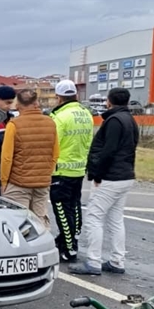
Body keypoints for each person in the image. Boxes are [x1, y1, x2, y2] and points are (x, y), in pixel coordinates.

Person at [71, 87, 139, 276]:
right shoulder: (129, 119)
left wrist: (97, 174)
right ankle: (117, 261)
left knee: (94, 217)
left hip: (111, 177)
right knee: (116, 219)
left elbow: (108, 151)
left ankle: (93, 262)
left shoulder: (114, 121)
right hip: (125, 175)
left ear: (109, 101)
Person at [48, 79, 94, 262]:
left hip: (61, 169)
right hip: (79, 168)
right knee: (74, 206)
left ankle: (68, 248)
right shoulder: (86, 113)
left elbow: (52, 143)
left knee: (61, 208)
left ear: (59, 97)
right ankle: (71, 238)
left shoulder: (59, 117)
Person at [0, 88, 59, 221]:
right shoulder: (50, 123)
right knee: (40, 219)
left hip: (19, 182)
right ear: (36, 103)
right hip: (42, 182)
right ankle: (44, 241)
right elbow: (55, 154)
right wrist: (45, 174)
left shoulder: (14, 124)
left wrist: (4, 182)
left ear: (17, 105)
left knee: (18, 221)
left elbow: (7, 158)